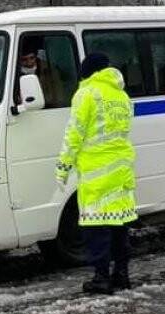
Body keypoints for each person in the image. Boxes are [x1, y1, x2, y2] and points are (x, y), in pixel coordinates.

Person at [55, 52, 137, 295]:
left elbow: (74, 133)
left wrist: (63, 166)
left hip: (97, 172)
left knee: (96, 229)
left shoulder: (86, 94)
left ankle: (101, 278)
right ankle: (121, 274)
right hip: (121, 169)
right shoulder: (121, 95)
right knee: (119, 226)